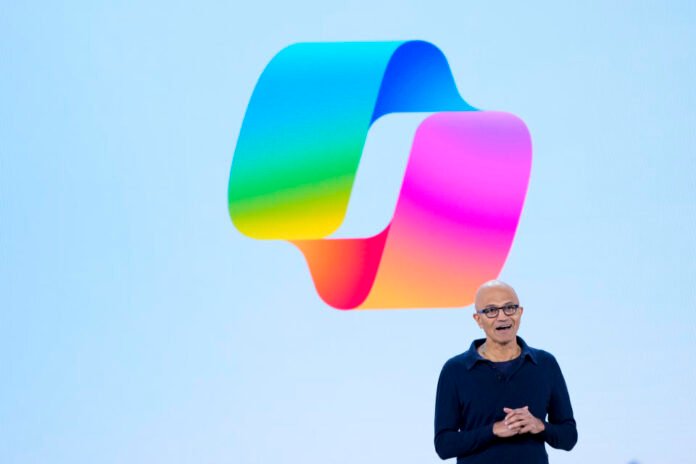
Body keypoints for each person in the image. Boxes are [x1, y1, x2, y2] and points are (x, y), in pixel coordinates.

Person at [433, 280, 577, 463]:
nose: (502, 317)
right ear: (478, 319)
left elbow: (569, 437)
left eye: (509, 308)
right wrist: (493, 430)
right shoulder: (455, 370)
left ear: (520, 312)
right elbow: (444, 445)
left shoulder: (545, 364)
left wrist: (539, 425)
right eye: (491, 310)